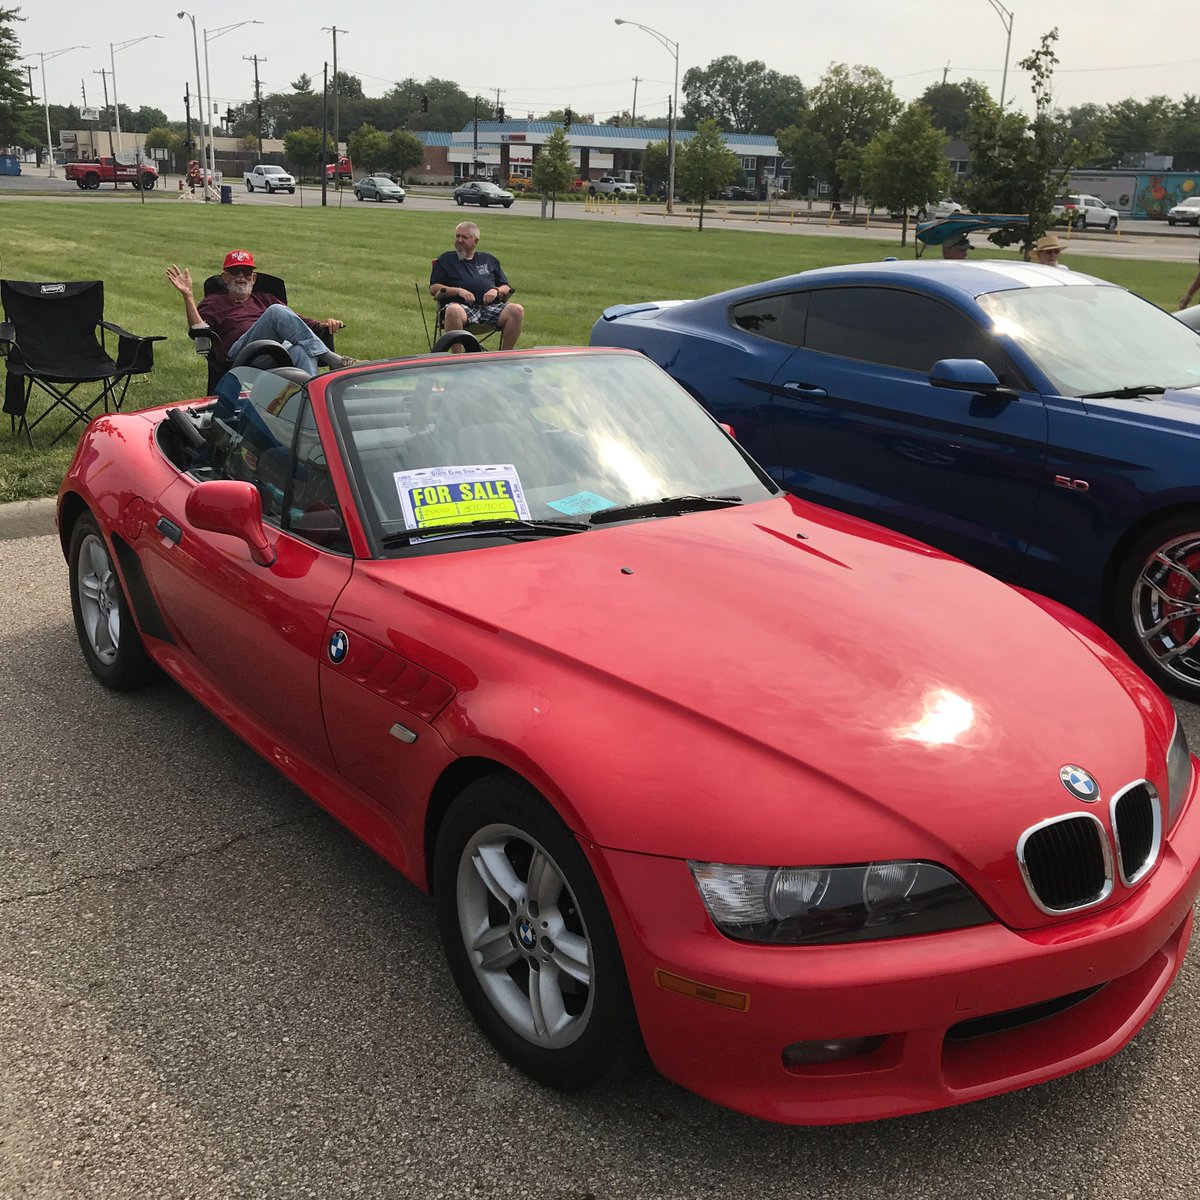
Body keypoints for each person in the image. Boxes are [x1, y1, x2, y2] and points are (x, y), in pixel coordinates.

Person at [165, 249, 355, 374]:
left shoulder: (265, 298)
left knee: (301, 351)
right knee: (276, 312)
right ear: (225, 278)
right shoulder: (213, 303)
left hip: (277, 351)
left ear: (254, 278)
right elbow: (199, 330)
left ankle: (310, 404)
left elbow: (295, 320)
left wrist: (321, 325)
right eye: (235, 272)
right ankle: (333, 360)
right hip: (242, 356)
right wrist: (188, 296)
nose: (241, 276)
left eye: (246, 272)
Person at [429, 222, 524, 351]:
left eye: (464, 237)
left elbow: (506, 287)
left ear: (476, 241)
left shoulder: (488, 259)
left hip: (490, 308)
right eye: (457, 236)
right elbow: (434, 288)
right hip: (462, 310)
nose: (459, 240)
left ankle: (504, 356)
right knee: (453, 310)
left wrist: (495, 291)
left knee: (517, 310)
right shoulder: (446, 260)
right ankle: (457, 359)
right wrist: (458, 291)